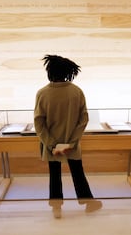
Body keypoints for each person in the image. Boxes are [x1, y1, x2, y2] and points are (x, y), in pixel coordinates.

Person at [34, 54, 102, 218]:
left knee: (54, 175)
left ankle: (56, 207)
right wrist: (71, 142)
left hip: (51, 145)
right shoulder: (76, 92)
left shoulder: (42, 93)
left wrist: (51, 145)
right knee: (78, 172)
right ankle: (88, 202)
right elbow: (83, 119)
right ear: (69, 72)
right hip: (71, 144)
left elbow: (39, 122)